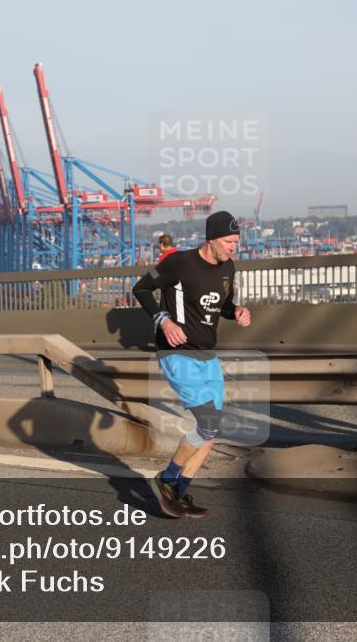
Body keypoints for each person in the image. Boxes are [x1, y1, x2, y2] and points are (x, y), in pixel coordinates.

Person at [132, 211, 251, 519]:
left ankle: (178, 493)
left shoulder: (229, 268)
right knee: (208, 423)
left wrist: (236, 310)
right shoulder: (178, 263)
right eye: (228, 242)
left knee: (211, 432)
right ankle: (168, 479)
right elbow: (141, 289)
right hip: (177, 353)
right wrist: (164, 320)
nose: (233, 248)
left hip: (208, 356)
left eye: (236, 242)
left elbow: (222, 305)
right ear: (211, 239)